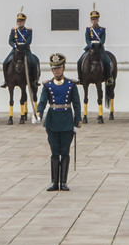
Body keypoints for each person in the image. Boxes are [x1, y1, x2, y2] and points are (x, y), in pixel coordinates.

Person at [39, 53, 82, 191]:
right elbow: (42, 101)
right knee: (54, 152)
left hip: (66, 121)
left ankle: (63, 182)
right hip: (52, 121)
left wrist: (78, 119)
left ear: (63, 68)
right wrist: (38, 112)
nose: (57, 71)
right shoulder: (47, 85)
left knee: (65, 151)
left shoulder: (71, 85)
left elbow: (76, 103)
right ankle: (54, 182)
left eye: (59, 68)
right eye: (54, 69)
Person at [7, 12, 39, 102]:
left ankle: (35, 79)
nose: (19, 23)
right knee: (5, 62)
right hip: (16, 50)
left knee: (33, 62)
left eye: (21, 21)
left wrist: (23, 45)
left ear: (24, 22)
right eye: (18, 21)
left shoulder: (28, 31)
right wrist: (14, 46)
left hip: (25, 50)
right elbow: (10, 41)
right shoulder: (14, 30)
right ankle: (6, 81)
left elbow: (29, 41)